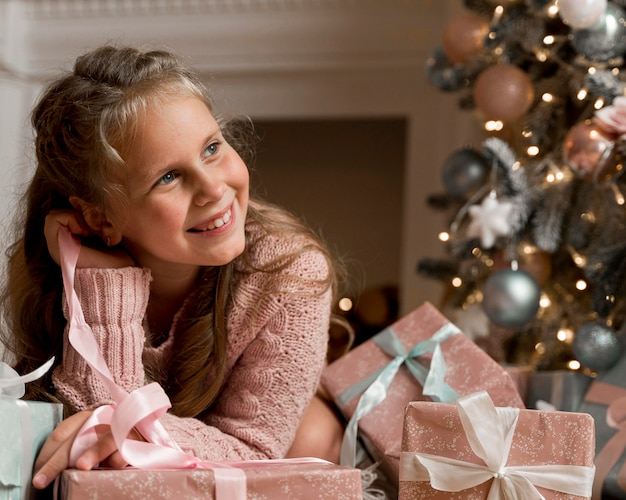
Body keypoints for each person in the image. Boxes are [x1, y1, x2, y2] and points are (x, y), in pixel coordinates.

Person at [0, 45, 348, 490]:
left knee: (315, 437)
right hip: (183, 456)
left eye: (211, 148)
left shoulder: (289, 274)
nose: (212, 188)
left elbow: (255, 452)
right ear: (101, 218)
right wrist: (104, 287)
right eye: (168, 177)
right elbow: (90, 460)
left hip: (262, 448)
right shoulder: (66, 276)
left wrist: (124, 430)